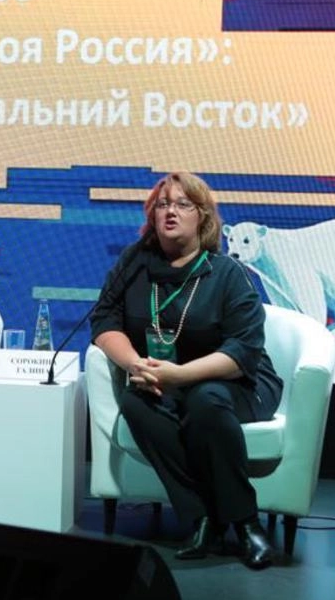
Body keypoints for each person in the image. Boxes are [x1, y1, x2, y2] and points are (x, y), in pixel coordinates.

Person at [90, 172, 283, 569]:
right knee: (136, 401)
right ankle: (201, 517)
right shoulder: (134, 265)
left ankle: (246, 523)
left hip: (238, 381)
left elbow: (243, 349)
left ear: (203, 216)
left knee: (205, 400)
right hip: (167, 380)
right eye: (162, 204)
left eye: (182, 204)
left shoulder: (226, 272)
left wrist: (179, 376)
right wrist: (133, 363)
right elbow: (104, 320)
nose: (170, 212)